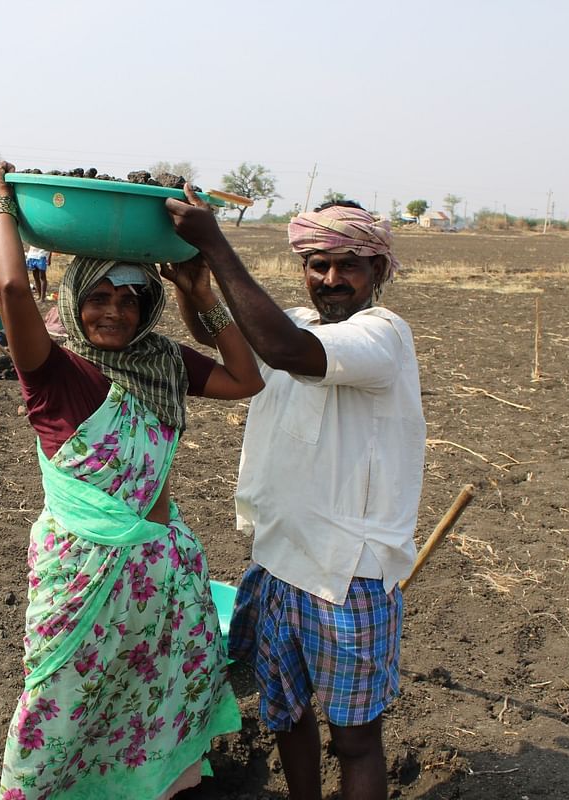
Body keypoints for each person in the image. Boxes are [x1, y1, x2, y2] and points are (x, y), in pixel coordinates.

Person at [0, 160, 265, 800]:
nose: (114, 312)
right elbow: (13, 293)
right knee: (60, 711)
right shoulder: (54, 371)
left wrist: (202, 293)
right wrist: (0, 206)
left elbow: (247, 379)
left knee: (151, 713)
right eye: (99, 297)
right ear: (74, 301)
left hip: (161, 581)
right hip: (83, 581)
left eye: (130, 299)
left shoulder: (161, 362)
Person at [165, 195, 425, 800]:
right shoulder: (294, 322)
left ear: (378, 272)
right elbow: (236, 339)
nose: (330, 279)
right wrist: (196, 290)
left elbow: (284, 353)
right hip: (279, 558)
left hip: (347, 573)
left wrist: (215, 244)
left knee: (356, 740)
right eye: (316, 264)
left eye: (348, 265)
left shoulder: (381, 335)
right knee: (285, 714)